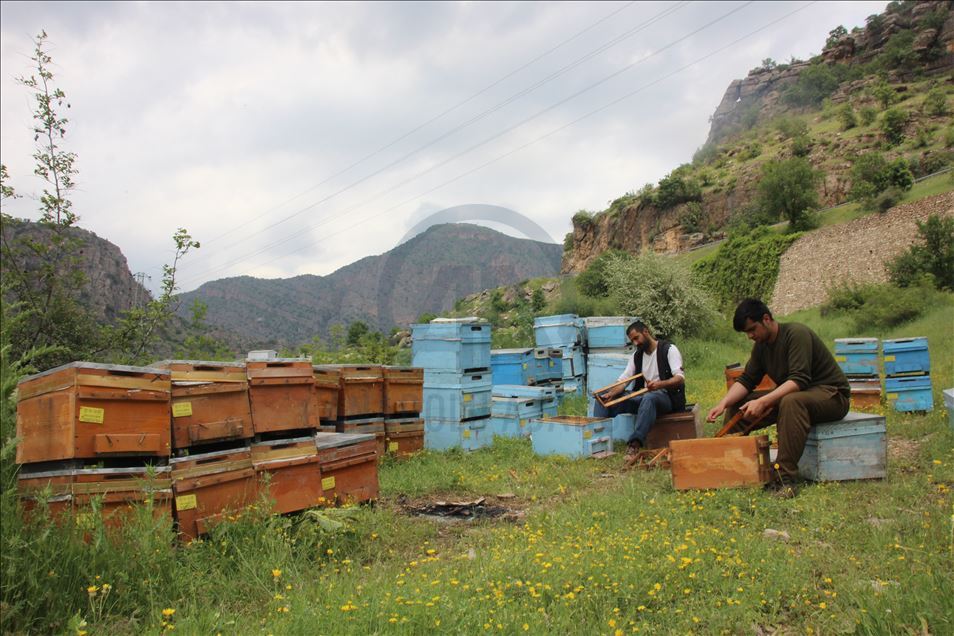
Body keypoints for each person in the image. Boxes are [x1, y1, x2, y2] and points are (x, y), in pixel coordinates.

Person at [706, 299, 850, 497]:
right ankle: (732, 467)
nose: (750, 336)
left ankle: (784, 479)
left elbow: (799, 380)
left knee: (791, 401)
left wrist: (764, 401)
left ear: (766, 319)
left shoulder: (796, 334)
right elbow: (747, 380)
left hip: (832, 395)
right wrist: (723, 403)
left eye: (752, 329)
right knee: (738, 404)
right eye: (746, 333)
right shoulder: (761, 346)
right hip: (801, 395)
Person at [592, 320, 686, 459]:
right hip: (643, 398)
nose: (636, 343)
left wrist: (659, 385)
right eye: (632, 341)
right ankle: (597, 443)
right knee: (602, 398)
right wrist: (611, 393)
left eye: (637, 338)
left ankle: (634, 444)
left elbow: (679, 378)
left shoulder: (669, 349)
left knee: (650, 397)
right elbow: (623, 381)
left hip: (667, 398)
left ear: (646, 332)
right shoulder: (637, 356)